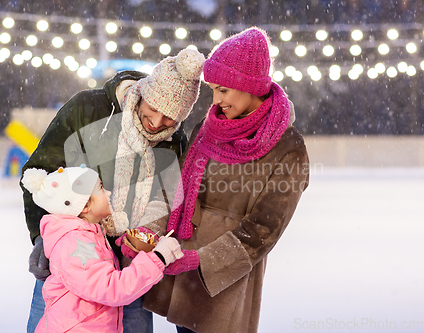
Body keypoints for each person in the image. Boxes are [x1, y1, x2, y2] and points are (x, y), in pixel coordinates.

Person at [127, 27, 310, 333]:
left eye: (223, 90)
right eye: (212, 89)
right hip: (181, 268)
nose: (215, 99)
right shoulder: (209, 126)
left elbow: (265, 228)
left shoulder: (287, 147)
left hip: (223, 279)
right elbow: (178, 191)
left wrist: (203, 261)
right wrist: (145, 232)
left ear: (249, 85)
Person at [21, 48, 205, 333]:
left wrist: (147, 238)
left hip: (129, 268)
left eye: (170, 117)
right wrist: (40, 237)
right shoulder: (88, 109)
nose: (157, 122)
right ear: (143, 92)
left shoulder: (173, 141)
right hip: (74, 255)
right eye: (153, 108)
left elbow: (166, 200)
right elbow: (42, 172)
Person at [21, 165, 184, 332]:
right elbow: (112, 289)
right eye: (101, 188)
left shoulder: (87, 235)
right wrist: (159, 258)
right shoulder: (77, 244)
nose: (109, 193)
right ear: (84, 206)